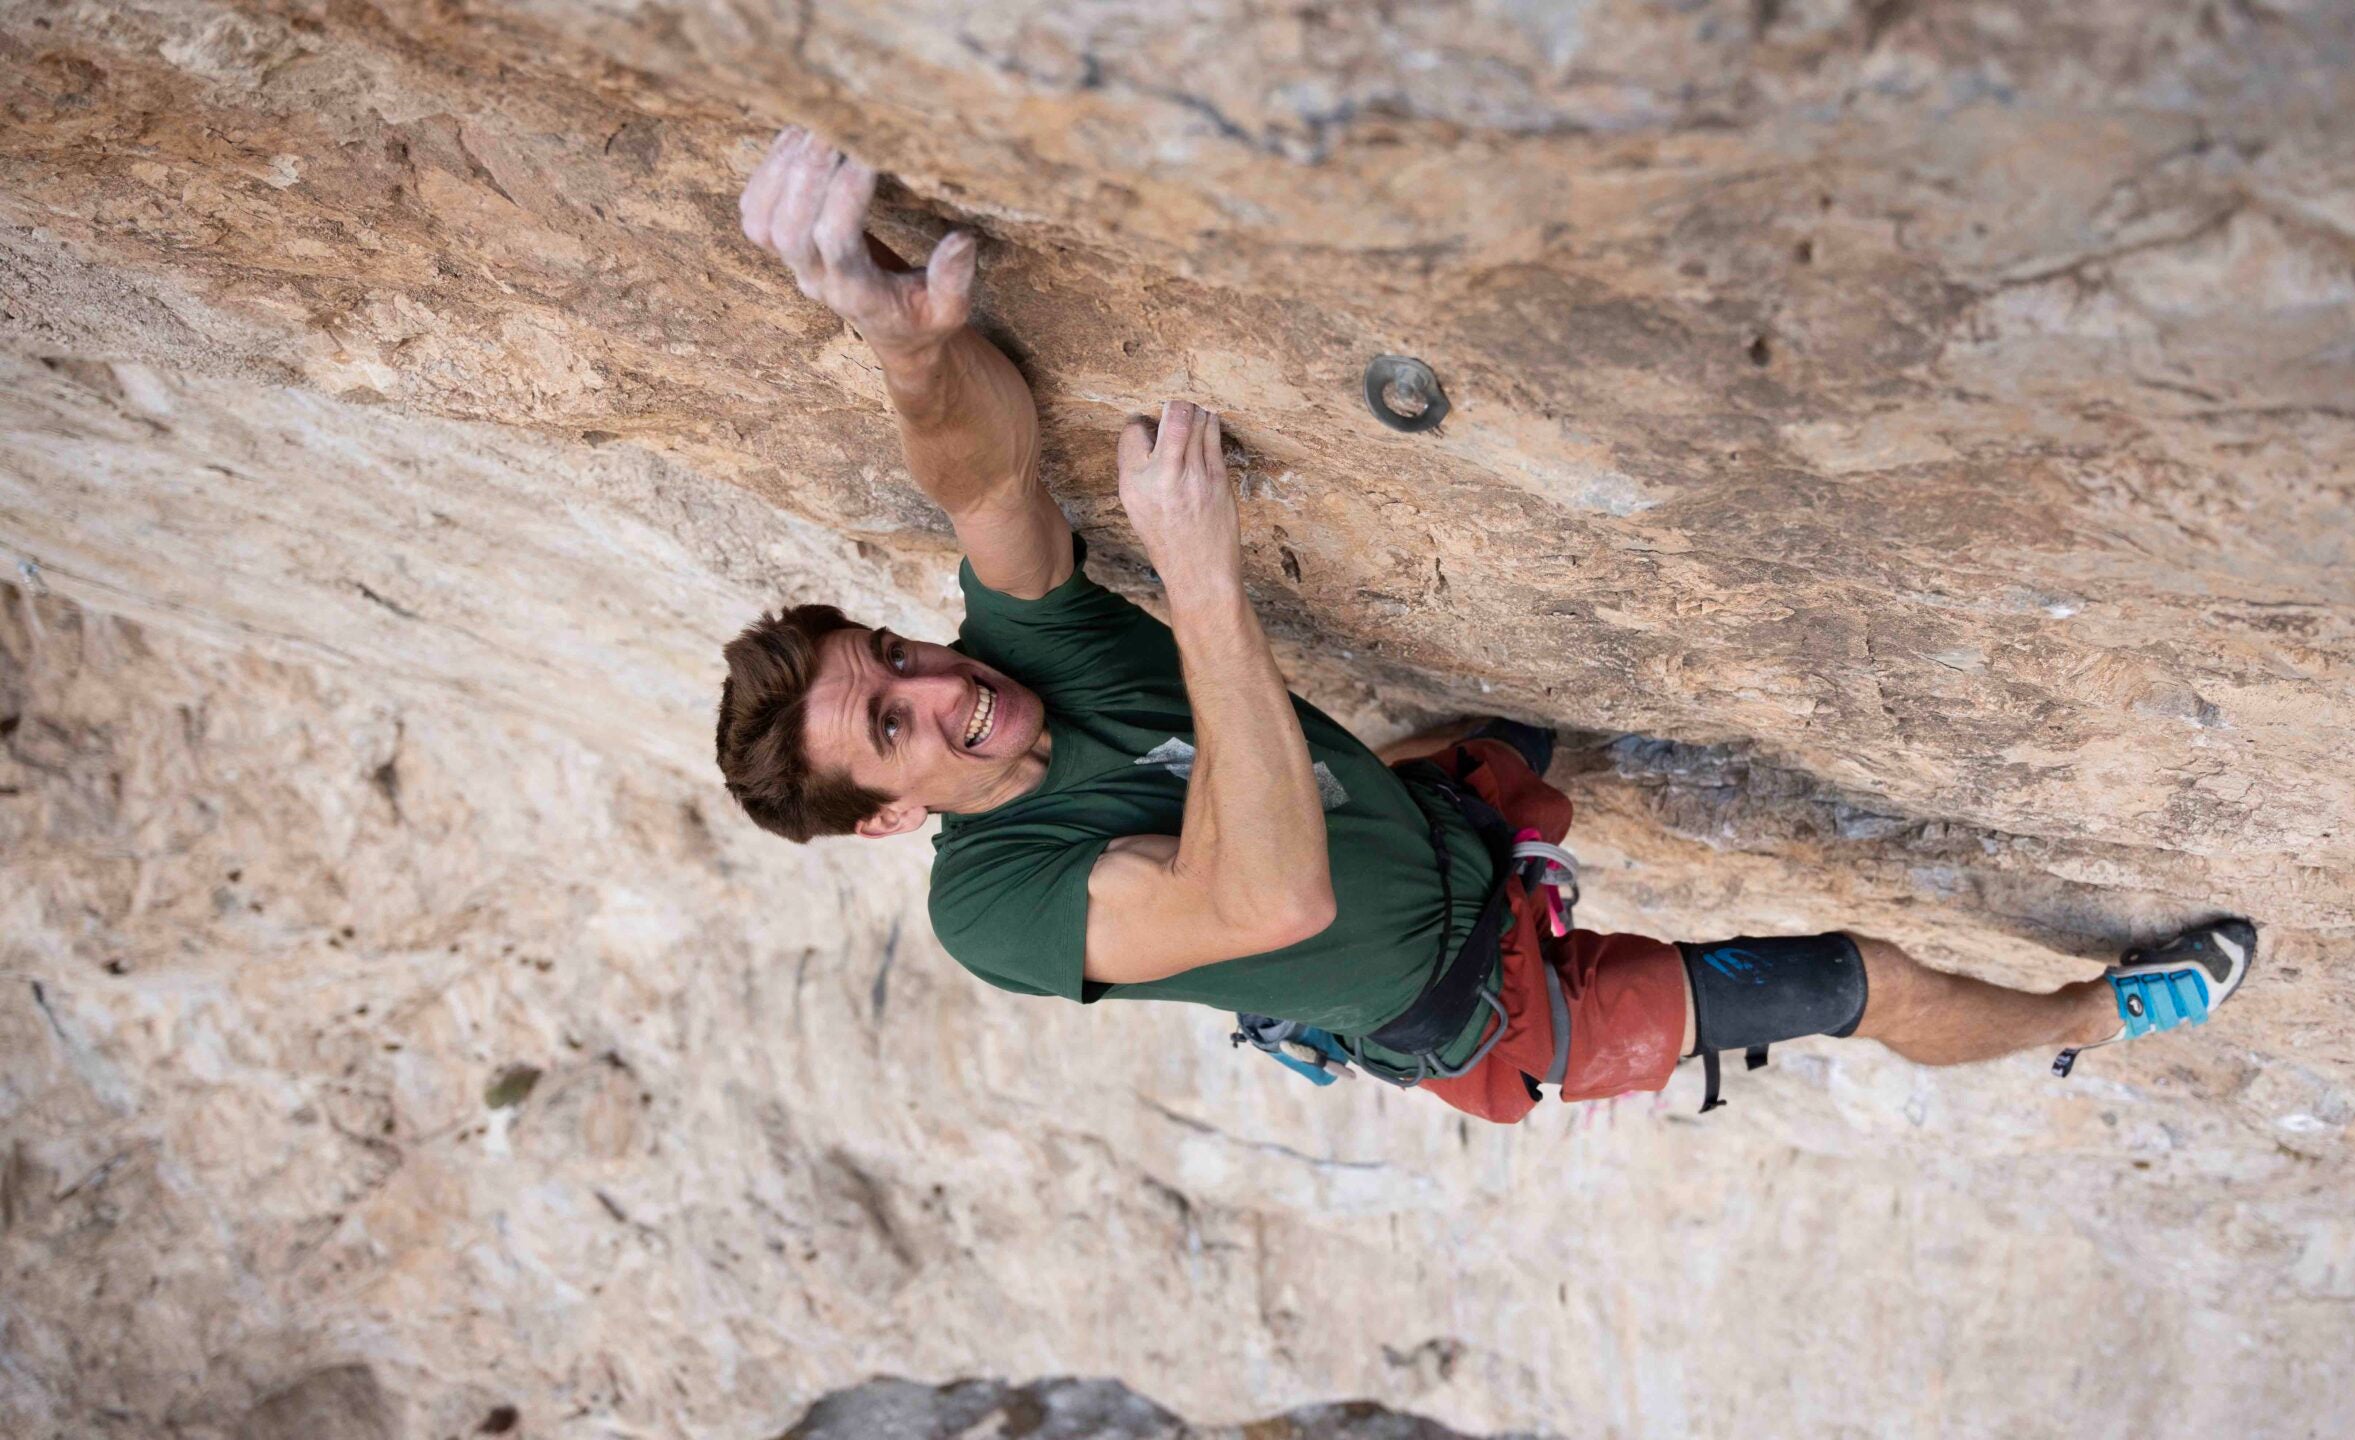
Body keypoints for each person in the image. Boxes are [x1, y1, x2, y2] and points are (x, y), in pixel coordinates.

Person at [713, 128, 2256, 1124]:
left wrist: (908, 349)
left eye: (896, 659)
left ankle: (1481, 796)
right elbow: (1263, 905)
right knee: (1864, 976)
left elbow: (985, 480)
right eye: (894, 728)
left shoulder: (1013, 675)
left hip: (1439, 818)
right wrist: (1201, 580)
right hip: (1499, 1008)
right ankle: (2095, 1014)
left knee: (1516, 732)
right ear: (887, 817)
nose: (938, 690)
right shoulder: (998, 908)